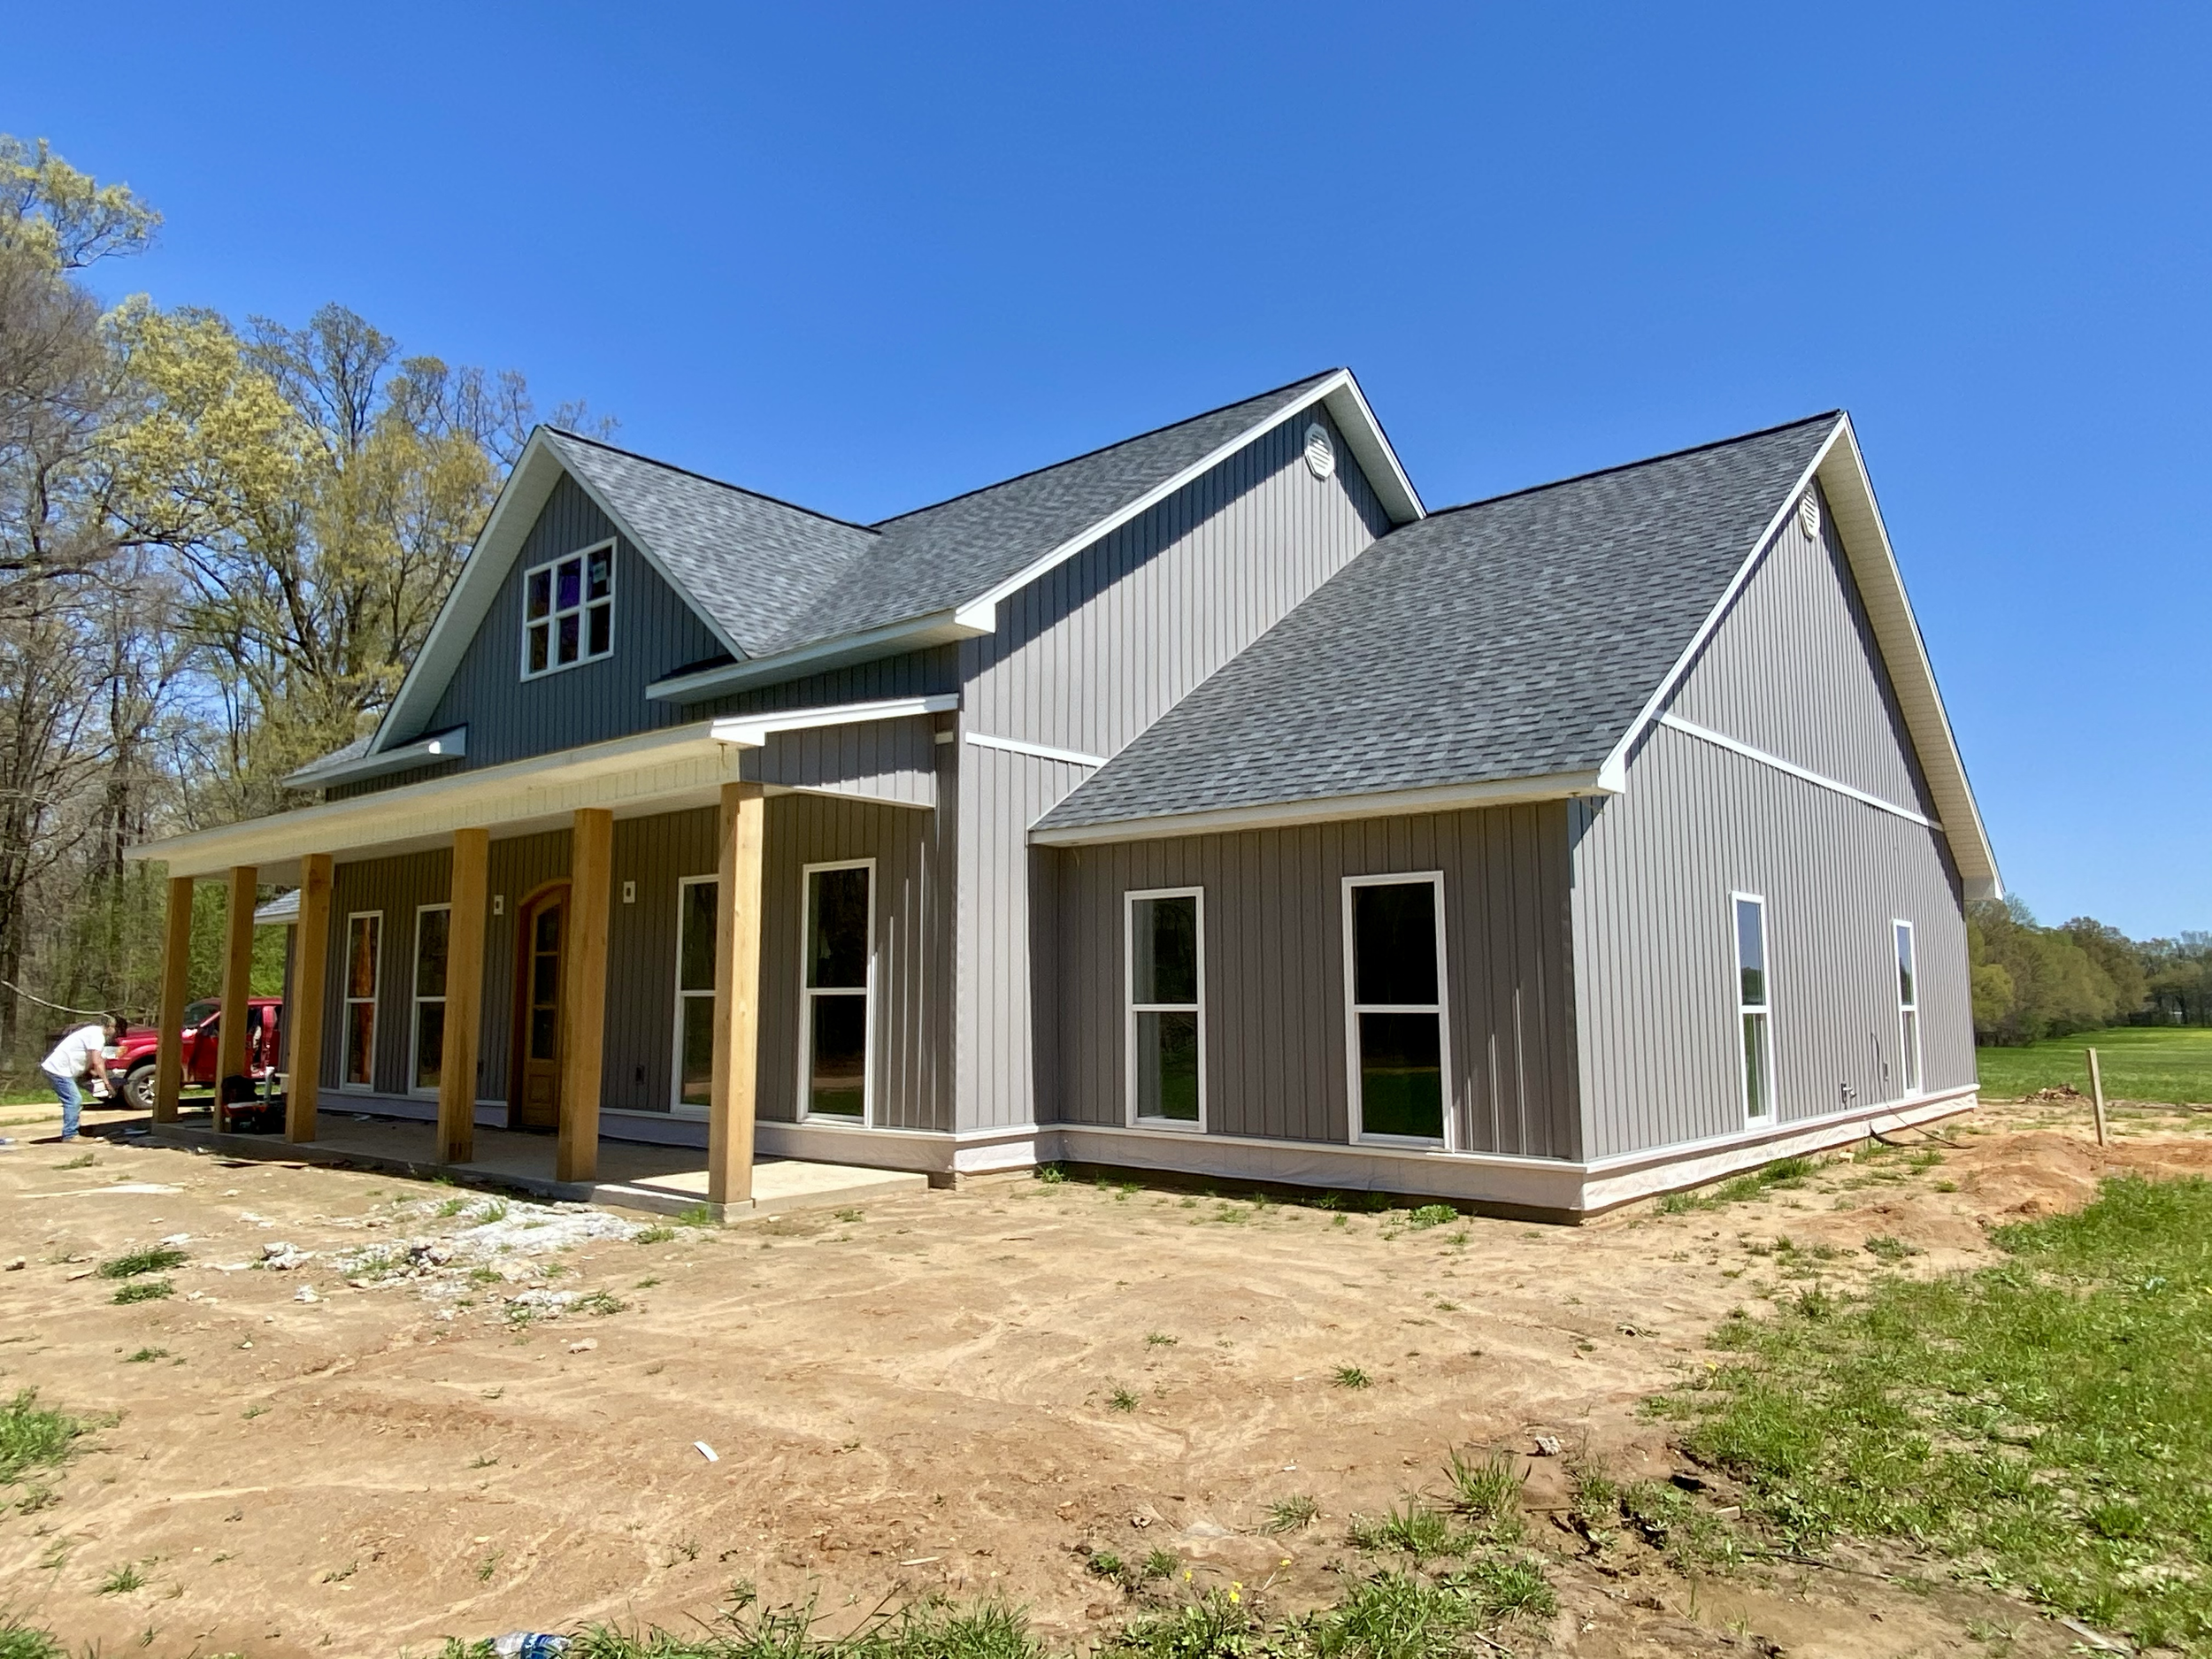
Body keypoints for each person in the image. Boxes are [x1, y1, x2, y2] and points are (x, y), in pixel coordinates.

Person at [41, 1013, 121, 1143]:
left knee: (74, 1099)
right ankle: (70, 1134)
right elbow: (97, 1061)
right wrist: (107, 1083)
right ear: (110, 1027)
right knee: (74, 1100)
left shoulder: (92, 1032)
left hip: (64, 1070)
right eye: (115, 1029)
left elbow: (88, 1056)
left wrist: (92, 1072)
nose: (115, 1032)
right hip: (58, 1070)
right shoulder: (97, 1035)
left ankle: (75, 1129)